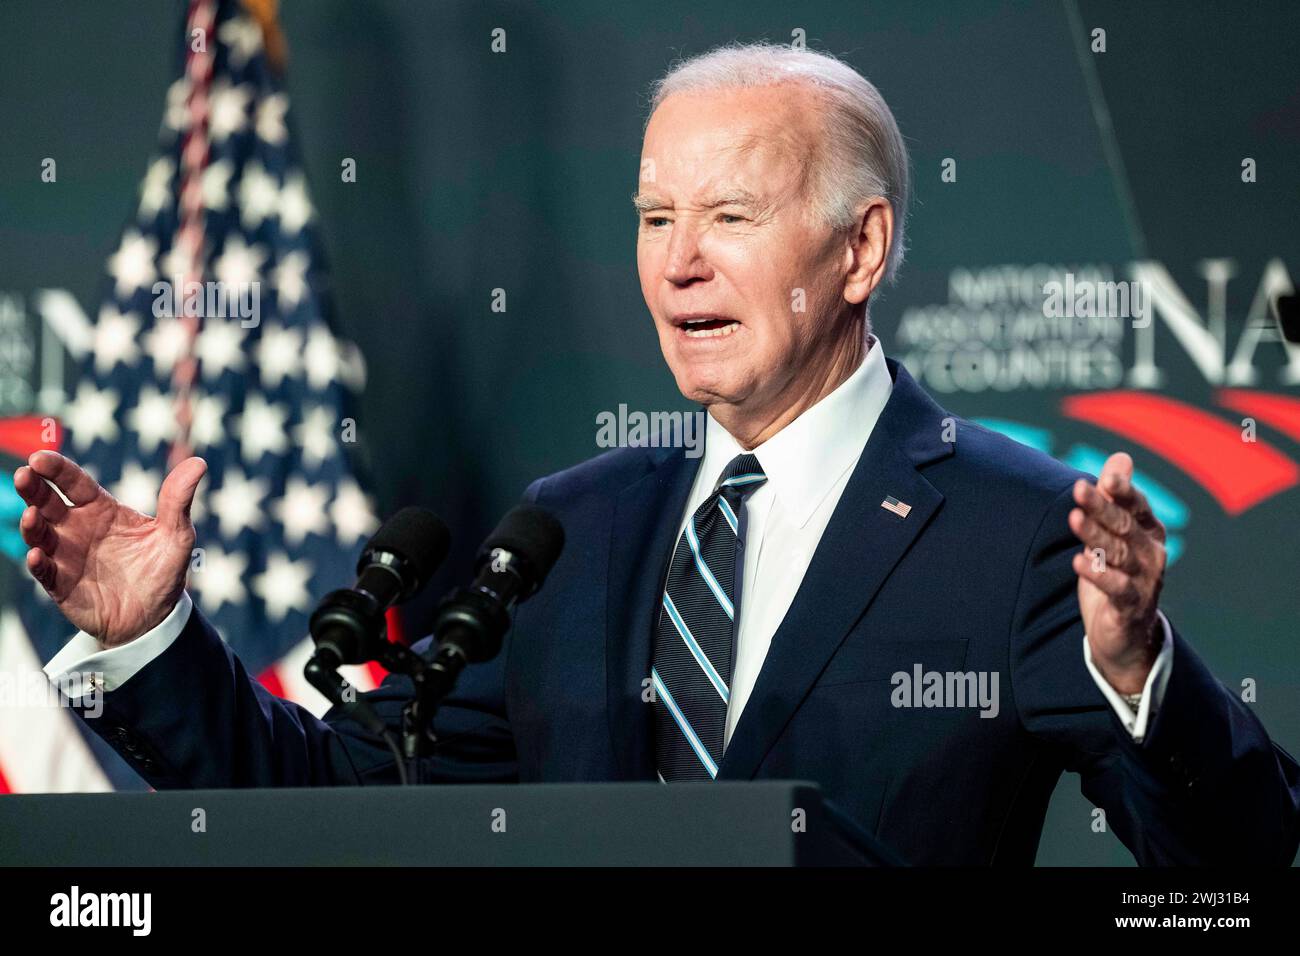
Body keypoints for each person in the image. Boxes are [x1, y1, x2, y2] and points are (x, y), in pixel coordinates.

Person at [23, 43, 1299, 864]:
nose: (677, 259)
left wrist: (1134, 666)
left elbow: (1238, 864)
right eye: (652, 217)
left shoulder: (1015, 525)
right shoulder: (569, 530)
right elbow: (345, 803)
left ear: (859, 250)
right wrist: (150, 635)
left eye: (729, 215)